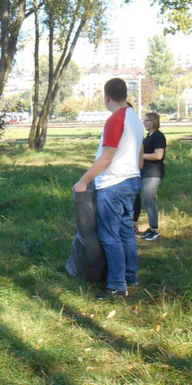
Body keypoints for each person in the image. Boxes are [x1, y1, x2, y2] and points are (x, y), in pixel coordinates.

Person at [72, 78, 144, 299]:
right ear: (126, 94)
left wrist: (83, 181)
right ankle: (131, 277)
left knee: (109, 236)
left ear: (107, 97)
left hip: (113, 185)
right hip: (132, 181)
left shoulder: (115, 120)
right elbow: (140, 160)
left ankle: (116, 286)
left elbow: (106, 159)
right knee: (125, 233)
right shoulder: (135, 119)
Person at [133, 112, 167, 241]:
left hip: (153, 173)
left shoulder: (158, 136)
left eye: (147, 120)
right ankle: (150, 229)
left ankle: (154, 229)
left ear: (153, 121)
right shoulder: (149, 136)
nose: (144, 123)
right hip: (145, 172)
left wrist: (140, 156)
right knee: (144, 199)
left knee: (148, 200)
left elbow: (158, 155)